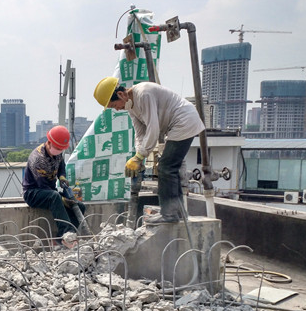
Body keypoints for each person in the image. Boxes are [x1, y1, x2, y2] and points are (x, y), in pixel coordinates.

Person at [93, 77, 205, 224]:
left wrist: (140, 156)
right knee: (170, 168)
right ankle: (177, 212)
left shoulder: (143, 94)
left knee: (166, 167)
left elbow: (153, 129)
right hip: (178, 125)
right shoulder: (131, 107)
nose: (117, 109)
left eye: (115, 105)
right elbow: (140, 134)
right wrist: (138, 156)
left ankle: (170, 214)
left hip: (184, 121)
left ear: (120, 94)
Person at [23, 125, 87, 247]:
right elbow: (43, 186)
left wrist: (62, 177)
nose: (59, 151)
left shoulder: (57, 153)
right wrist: (62, 199)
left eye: (61, 149)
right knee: (54, 196)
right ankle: (67, 234)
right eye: (57, 148)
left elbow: (61, 166)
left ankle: (60, 240)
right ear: (49, 142)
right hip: (33, 193)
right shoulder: (38, 159)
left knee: (79, 206)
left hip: (51, 192)